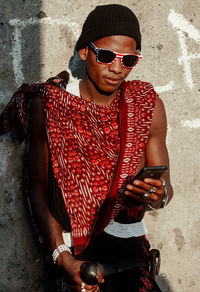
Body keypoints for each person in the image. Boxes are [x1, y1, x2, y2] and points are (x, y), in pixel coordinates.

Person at [0, 4, 173, 292]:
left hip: (131, 262)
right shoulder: (50, 106)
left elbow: (165, 186)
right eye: (106, 56)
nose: (117, 69)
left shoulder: (146, 107)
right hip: (74, 261)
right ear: (84, 51)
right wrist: (62, 258)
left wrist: (158, 193)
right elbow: (37, 188)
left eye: (129, 59)